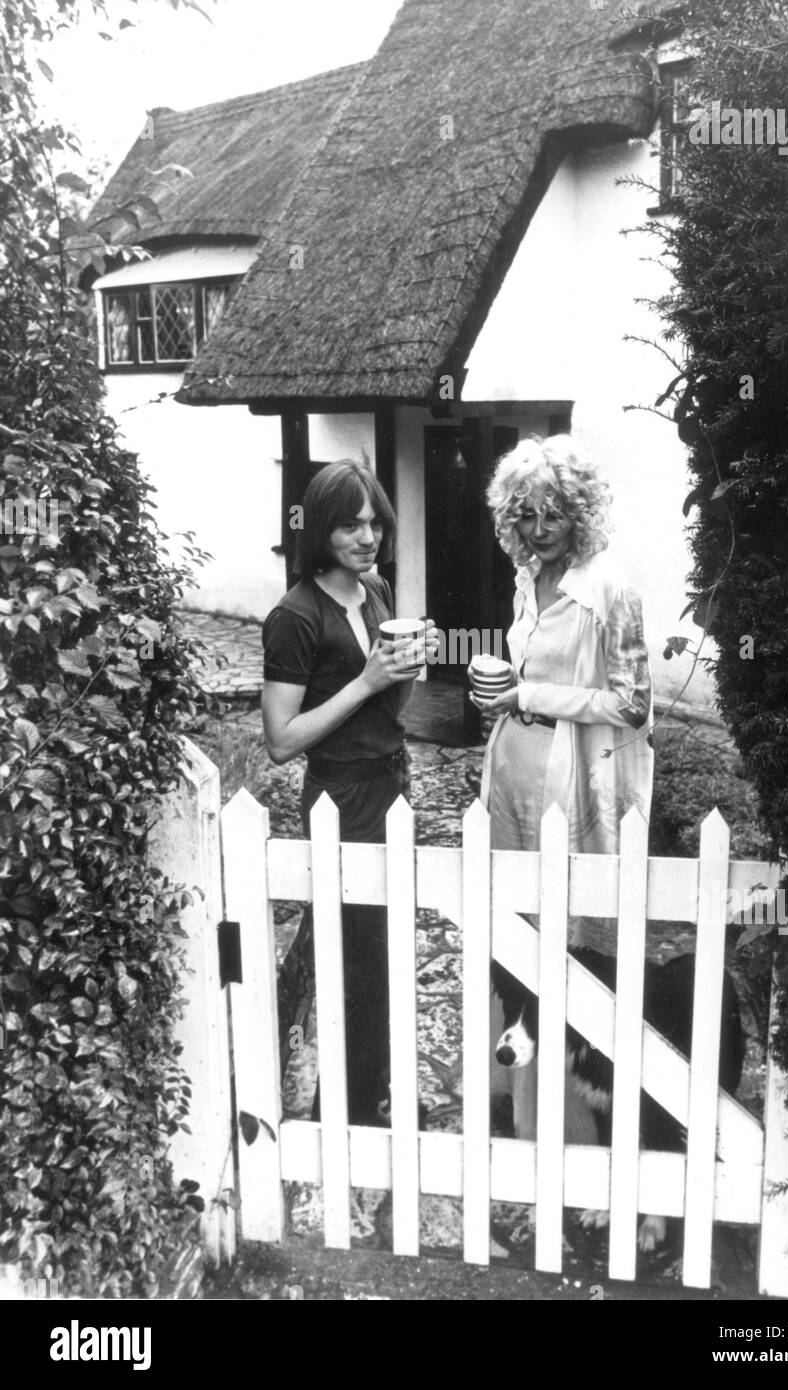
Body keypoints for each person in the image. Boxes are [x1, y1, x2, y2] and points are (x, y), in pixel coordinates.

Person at [472, 435, 654, 1142]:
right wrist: (503, 692)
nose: (537, 530)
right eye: (523, 516)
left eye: (551, 515)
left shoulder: (611, 585)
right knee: (516, 937)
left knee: (574, 941)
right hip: (513, 775)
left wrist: (534, 694)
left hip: (573, 786)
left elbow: (632, 704)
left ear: (580, 512)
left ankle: (578, 1125)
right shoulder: (529, 578)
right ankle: (519, 1115)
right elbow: (531, 680)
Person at [261, 459, 436, 1127]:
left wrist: (404, 671)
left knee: (388, 946)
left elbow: (390, 710)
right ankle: (357, 1105)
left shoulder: (376, 589)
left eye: (374, 523)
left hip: (392, 784)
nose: (367, 538)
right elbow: (281, 738)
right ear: (319, 533)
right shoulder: (295, 615)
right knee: (357, 955)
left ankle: (377, 1081)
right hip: (340, 796)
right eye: (348, 527)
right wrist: (364, 681)